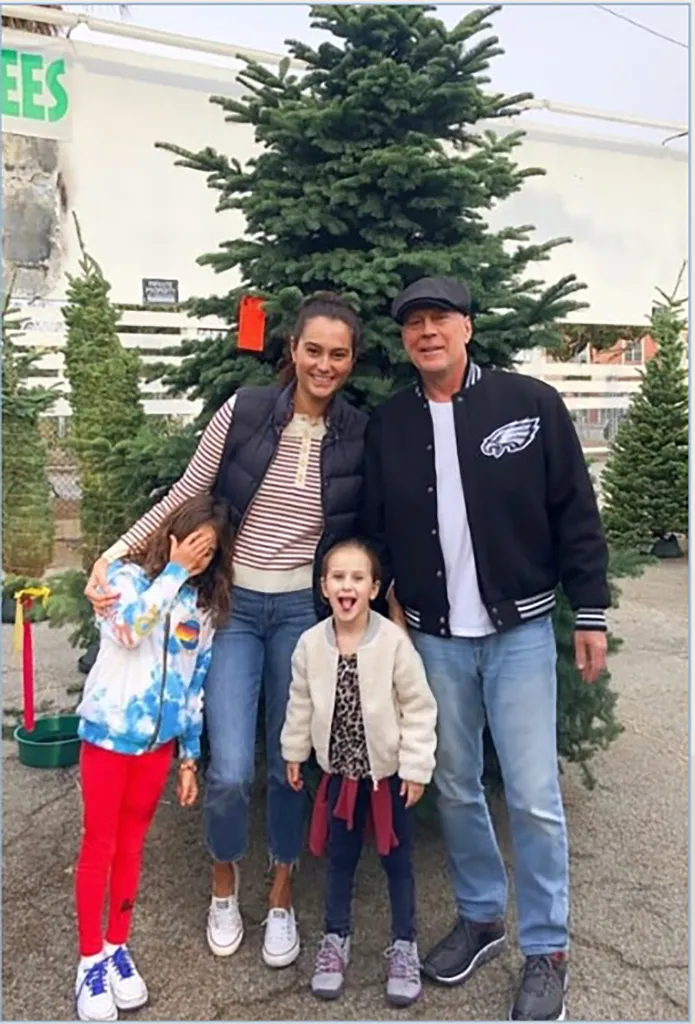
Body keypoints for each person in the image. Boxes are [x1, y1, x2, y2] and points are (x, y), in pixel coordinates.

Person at [83, 292, 367, 970]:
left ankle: (278, 897)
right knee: (233, 769)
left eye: (338, 354)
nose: (323, 365)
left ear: (351, 361)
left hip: (303, 617)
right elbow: (187, 491)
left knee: (291, 764)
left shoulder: (357, 432)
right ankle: (223, 884)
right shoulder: (244, 411)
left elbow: (369, 528)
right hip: (234, 612)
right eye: (312, 350)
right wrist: (116, 553)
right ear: (292, 350)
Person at [361, 276, 610, 1021]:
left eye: (439, 319)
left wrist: (589, 611)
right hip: (434, 640)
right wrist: (381, 609)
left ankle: (546, 949)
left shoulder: (527, 406)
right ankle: (480, 917)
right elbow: (374, 525)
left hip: (520, 635)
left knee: (534, 798)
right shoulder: (390, 424)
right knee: (457, 784)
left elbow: (574, 510)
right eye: (412, 323)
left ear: (466, 326)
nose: (425, 332)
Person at [74, 494, 233, 1022]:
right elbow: (126, 631)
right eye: (194, 545)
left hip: (157, 748)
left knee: (132, 848)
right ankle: (89, 958)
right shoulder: (121, 580)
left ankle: (118, 946)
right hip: (108, 738)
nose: (200, 559)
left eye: (210, 552)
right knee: (100, 844)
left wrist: (189, 756)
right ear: (173, 535)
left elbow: (195, 683)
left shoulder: (201, 605)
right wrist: (171, 573)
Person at [281, 539, 437, 1006]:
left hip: (388, 778)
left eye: (357, 578)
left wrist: (415, 767)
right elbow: (300, 701)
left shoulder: (393, 643)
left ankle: (404, 945)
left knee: (397, 861)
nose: (347, 586)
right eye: (337, 578)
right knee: (340, 859)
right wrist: (294, 750)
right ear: (324, 587)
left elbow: (418, 707)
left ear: (373, 588)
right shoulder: (310, 644)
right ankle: (335, 940)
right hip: (341, 778)